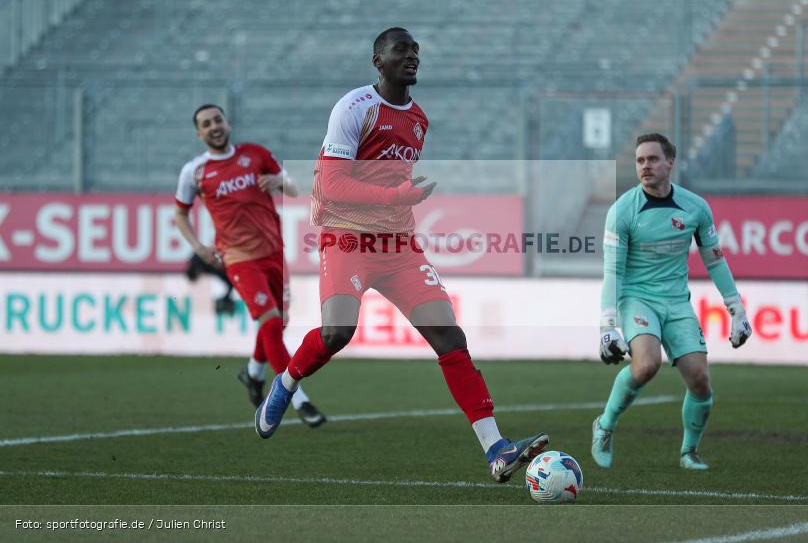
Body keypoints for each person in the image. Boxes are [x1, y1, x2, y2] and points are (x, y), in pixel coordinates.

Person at [254, 27, 548, 483]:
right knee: (337, 332)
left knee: (450, 338)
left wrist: (399, 200)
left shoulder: (419, 119)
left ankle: (497, 448)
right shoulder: (354, 108)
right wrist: (396, 196)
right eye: (401, 50)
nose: (411, 56)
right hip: (347, 238)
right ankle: (287, 380)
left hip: (397, 246)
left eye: (416, 50)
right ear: (378, 60)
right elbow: (332, 185)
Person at [592, 133, 752, 470]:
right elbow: (612, 272)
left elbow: (715, 260)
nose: (645, 167)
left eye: (652, 159)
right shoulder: (623, 211)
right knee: (646, 365)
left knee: (700, 380)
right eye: (639, 161)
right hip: (637, 299)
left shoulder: (695, 207)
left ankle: (688, 453)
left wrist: (736, 309)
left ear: (670, 162)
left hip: (677, 303)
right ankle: (604, 425)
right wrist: (608, 326)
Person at [174, 104, 326, 428]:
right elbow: (179, 214)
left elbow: (295, 189)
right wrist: (199, 247)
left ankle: (253, 372)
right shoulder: (195, 171)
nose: (213, 126)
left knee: (278, 323)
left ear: (227, 123)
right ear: (199, 133)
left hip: (274, 251)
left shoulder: (255, 154)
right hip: (238, 257)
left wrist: (277, 182)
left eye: (217, 120)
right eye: (206, 124)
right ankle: (297, 399)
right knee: (270, 325)